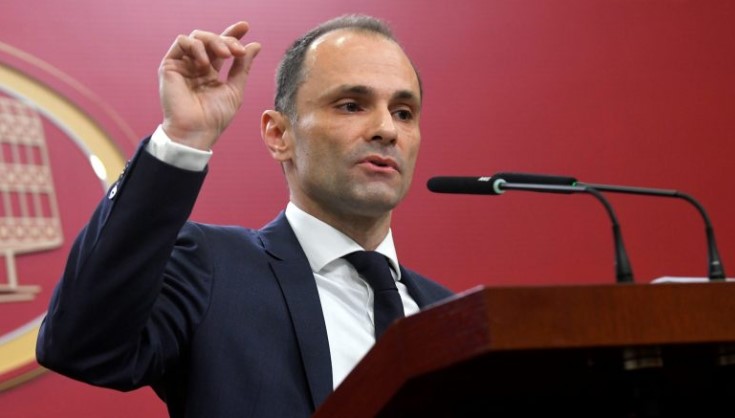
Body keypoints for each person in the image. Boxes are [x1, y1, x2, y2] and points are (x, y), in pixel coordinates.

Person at [36, 14, 453, 418]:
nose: (387, 129)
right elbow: (83, 345)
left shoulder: (451, 316)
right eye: (351, 105)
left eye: (403, 112)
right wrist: (183, 139)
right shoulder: (212, 269)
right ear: (279, 134)